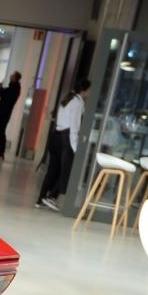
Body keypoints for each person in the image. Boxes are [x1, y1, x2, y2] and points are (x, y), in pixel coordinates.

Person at [37, 79, 91, 210]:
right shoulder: (78, 103)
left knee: (52, 170)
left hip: (55, 136)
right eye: (89, 90)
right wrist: (75, 147)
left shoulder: (67, 99)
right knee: (67, 170)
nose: (89, 93)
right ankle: (52, 197)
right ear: (84, 90)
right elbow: (74, 127)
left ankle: (41, 198)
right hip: (66, 138)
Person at [0, 71, 21, 161]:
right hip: (3, 114)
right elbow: (3, 92)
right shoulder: (13, 88)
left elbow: (0, 93)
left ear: (15, 78)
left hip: (3, 114)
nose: (10, 77)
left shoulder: (13, 89)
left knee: (0, 133)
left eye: (12, 76)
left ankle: (0, 153)